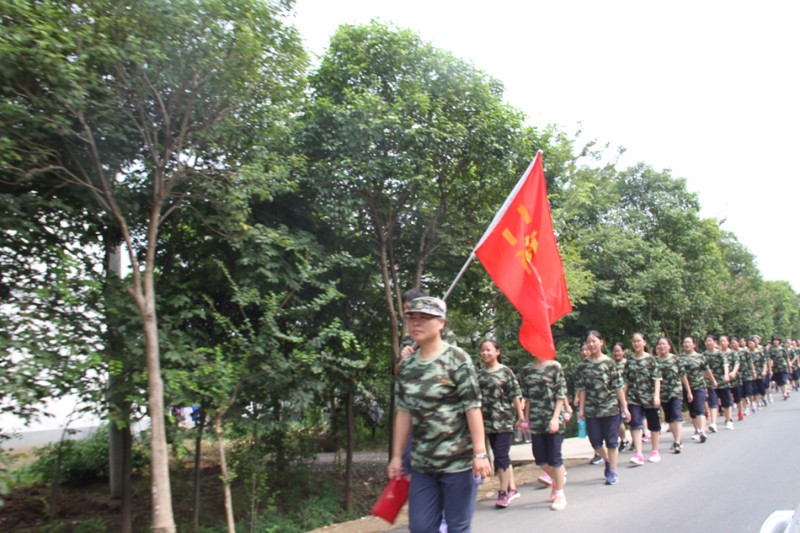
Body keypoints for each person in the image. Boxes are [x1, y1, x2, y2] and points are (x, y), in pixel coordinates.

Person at [388, 297, 491, 532]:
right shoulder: (408, 367)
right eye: (412, 318)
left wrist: (480, 453)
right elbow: (403, 412)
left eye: (424, 318)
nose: (416, 323)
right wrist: (396, 456)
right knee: (421, 527)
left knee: (457, 527)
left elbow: (472, 407)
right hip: (423, 464)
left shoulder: (457, 360)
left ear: (441, 323)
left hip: (458, 463)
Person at [575, 330, 630, 485]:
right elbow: (582, 389)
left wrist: (624, 407)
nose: (591, 344)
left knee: (612, 442)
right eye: (588, 342)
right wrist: (581, 410)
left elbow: (618, 387)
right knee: (596, 443)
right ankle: (607, 460)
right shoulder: (583, 366)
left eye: (594, 341)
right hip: (592, 410)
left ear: (601, 342)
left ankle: (612, 470)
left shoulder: (609, 363)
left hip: (611, 408)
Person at [477, 340, 524, 509]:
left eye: (488, 350)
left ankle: (503, 492)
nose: (485, 353)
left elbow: (515, 395)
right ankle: (512, 487)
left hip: (504, 421)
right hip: (488, 422)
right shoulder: (479, 375)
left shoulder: (506, 372)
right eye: (482, 350)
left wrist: (520, 416)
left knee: (501, 456)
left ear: (497, 351)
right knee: (502, 455)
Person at [519, 354, 569, 510]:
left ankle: (560, 493)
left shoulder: (554, 366)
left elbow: (561, 395)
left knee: (555, 457)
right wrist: (526, 419)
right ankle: (557, 477)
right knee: (540, 458)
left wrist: (555, 418)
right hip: (536, 420)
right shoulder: (527, 370)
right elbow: (526, 397)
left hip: (553, 418)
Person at [622, 333, 662, 465]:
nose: (636, 344)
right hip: (634, 397)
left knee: (654, 425)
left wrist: (656, 396)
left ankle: (655, 451)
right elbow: (626, 381)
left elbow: (657, 378)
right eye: (634, 341)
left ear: (644, 342)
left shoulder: (651, 359)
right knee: (635, 424)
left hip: (649, 397)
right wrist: (623, 399)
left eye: (639, 341)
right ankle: (638, 453)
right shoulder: (630, 361)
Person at [655, 337, 690, 453]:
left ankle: (677, 442)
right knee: (669, 418)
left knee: (676, 415)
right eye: (660, 344)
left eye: (664, 344)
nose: (662, 346)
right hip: (663, 393)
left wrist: (688, 391)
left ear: (669, 346)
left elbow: (683, 375)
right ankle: (677, 440)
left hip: (675, 391)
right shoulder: (655, 361)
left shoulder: (676, 359)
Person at [679, 336, 716, 442]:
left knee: (699, 408)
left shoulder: (700, 357)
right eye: (685, 342)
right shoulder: (680, 358)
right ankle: (697, 430)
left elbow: (707, 369)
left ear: (694, 344)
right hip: (686, 387)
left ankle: (702, 431)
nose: (686, 344)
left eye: (689, 342)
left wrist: (713, 381)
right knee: (692, 411)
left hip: (699, 386)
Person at [611, 342, 630, 452]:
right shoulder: (611, 364)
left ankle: (640, 435)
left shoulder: (627, 364)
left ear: (623, 352)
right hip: (616, 396)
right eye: (615, 351)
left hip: (628, 395)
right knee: (619, 420)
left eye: (619, 351)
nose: (617, 353)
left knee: (631, 419)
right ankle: (624, 440)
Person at [768, 335, 791, 400]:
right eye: (774, 340)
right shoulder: (771, 349)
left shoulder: (783, 348)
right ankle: (784, 392)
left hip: (783, 366)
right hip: (775, 368)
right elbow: (770, 359)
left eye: (777, 340)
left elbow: (787, 358)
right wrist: (770, 369)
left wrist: (789, 367)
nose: (775, 342)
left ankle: (785, 393)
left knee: (783, 380)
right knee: (779, 382)